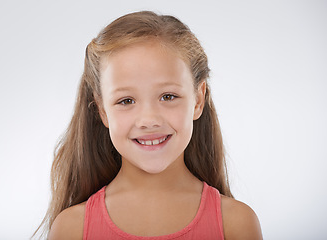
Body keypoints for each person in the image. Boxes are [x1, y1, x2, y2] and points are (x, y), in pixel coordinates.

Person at [36, 11, 262, 239]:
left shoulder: (236, 224)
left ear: (198, 99)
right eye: (126, 101)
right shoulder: (71, 228)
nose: (149, 120)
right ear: (102, 110)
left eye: (168, 96)